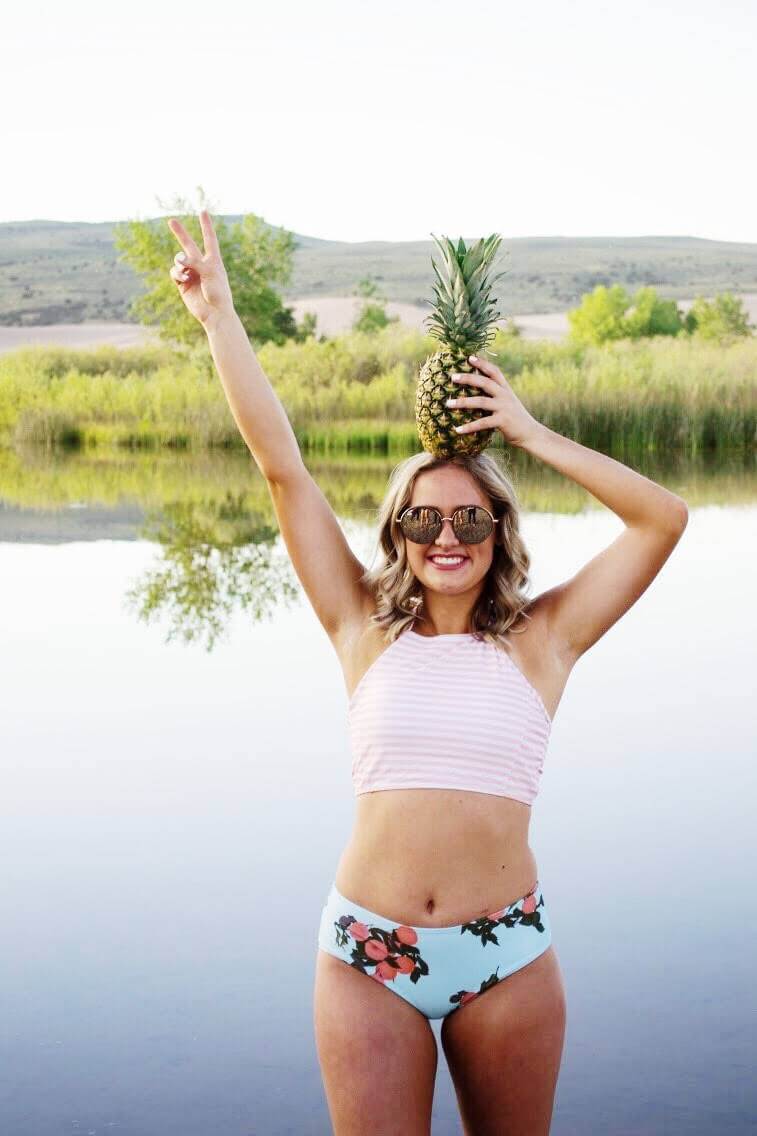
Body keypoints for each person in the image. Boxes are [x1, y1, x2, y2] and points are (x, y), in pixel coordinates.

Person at [168, 210, 689, 1136]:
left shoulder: (546, 639)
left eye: (469, 520)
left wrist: (524, 433)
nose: (444, 537)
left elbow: (661, 519)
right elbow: (282, 469)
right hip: (369, 951)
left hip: (507, 954)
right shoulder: (357, 625)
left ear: (498, 533)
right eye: (421, 520)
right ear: (396, 536)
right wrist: (220, 321)